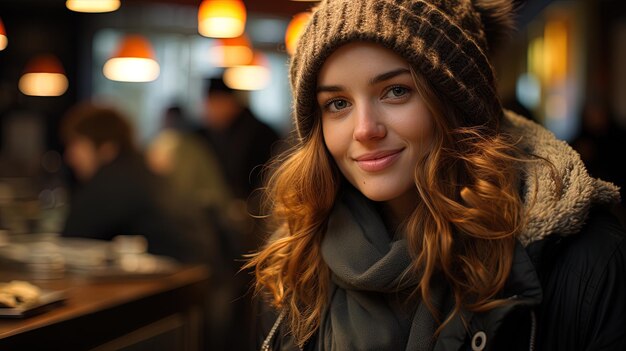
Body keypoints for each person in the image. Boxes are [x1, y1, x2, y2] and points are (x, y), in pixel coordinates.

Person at [247, 1, 626, 350]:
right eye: (338, 104)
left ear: (456, 104)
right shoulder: (299, 259)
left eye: (395, 91)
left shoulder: (582, 259)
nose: (364, 129)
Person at [60, 102, 211, 264]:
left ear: (106, 148)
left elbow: (69, 242)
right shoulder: (139, 170)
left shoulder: (112, 181)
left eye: (76, 145)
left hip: (171, 280)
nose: (70, 156)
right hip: (194, 277)